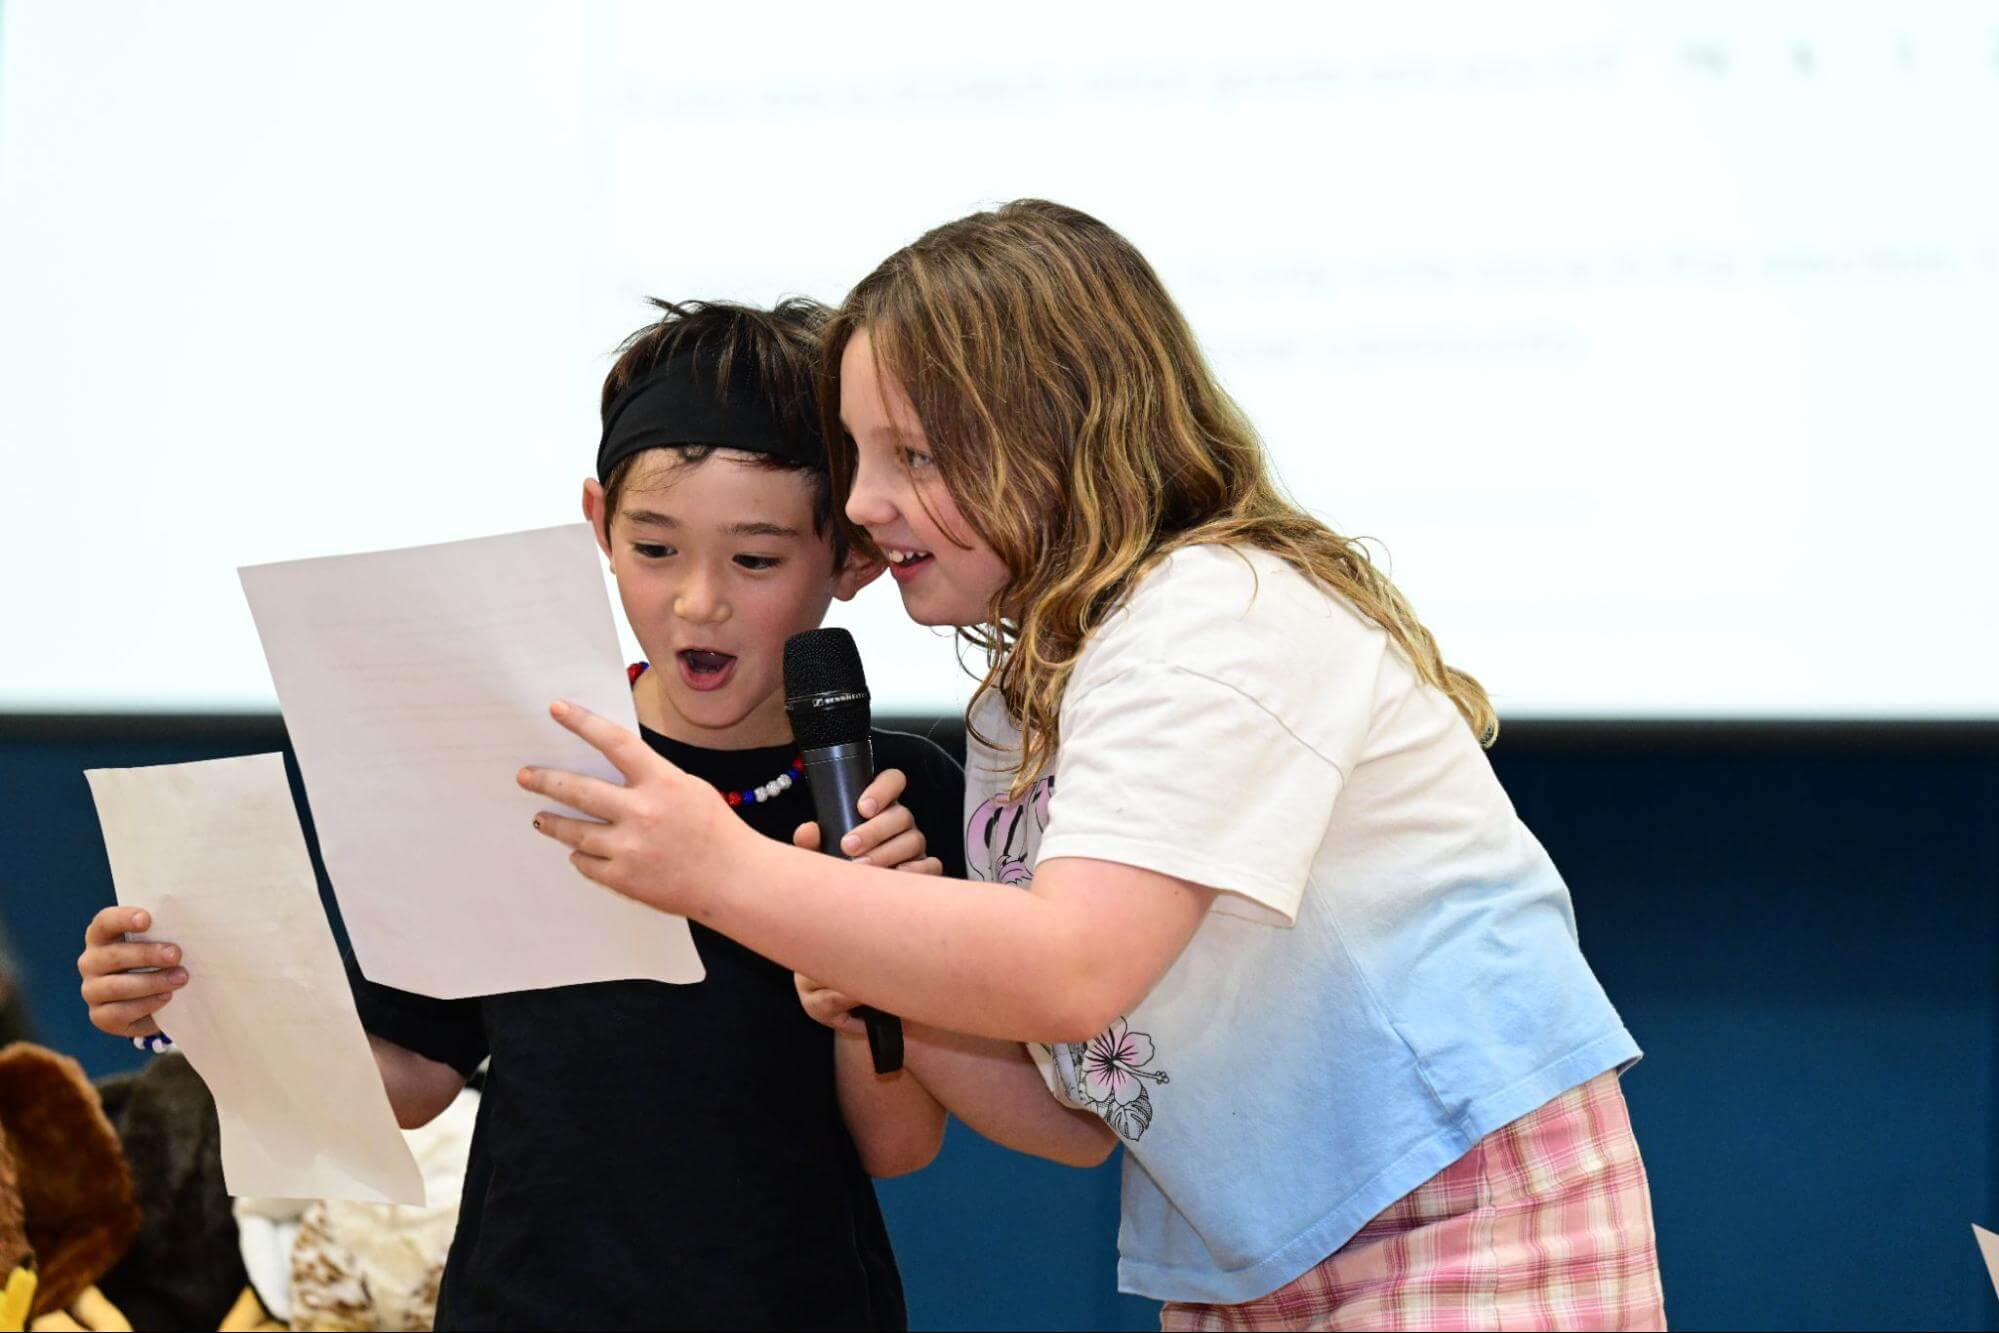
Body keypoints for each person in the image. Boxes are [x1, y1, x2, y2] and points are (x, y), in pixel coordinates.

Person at [518, 203, 1667, 1331]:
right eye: (859, 458)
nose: (864, 506)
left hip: (1454, 1210)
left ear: (1049, 437)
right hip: (1251, 1254)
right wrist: (880, 964)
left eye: (909, 455)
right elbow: (1070, 1113)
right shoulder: (1027, 708)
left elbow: (1070, 969)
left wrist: (726, 871)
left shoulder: (1219, 612)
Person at [78, 298, 963, 1331]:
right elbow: (408, 1076)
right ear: (596, 522)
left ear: (851, 554)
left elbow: (898, 1145)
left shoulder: (887, 795)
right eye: (655, 547)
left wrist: (867, 961)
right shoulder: (528, 763)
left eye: (756, 560)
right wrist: (198, 999)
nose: (698, 601)